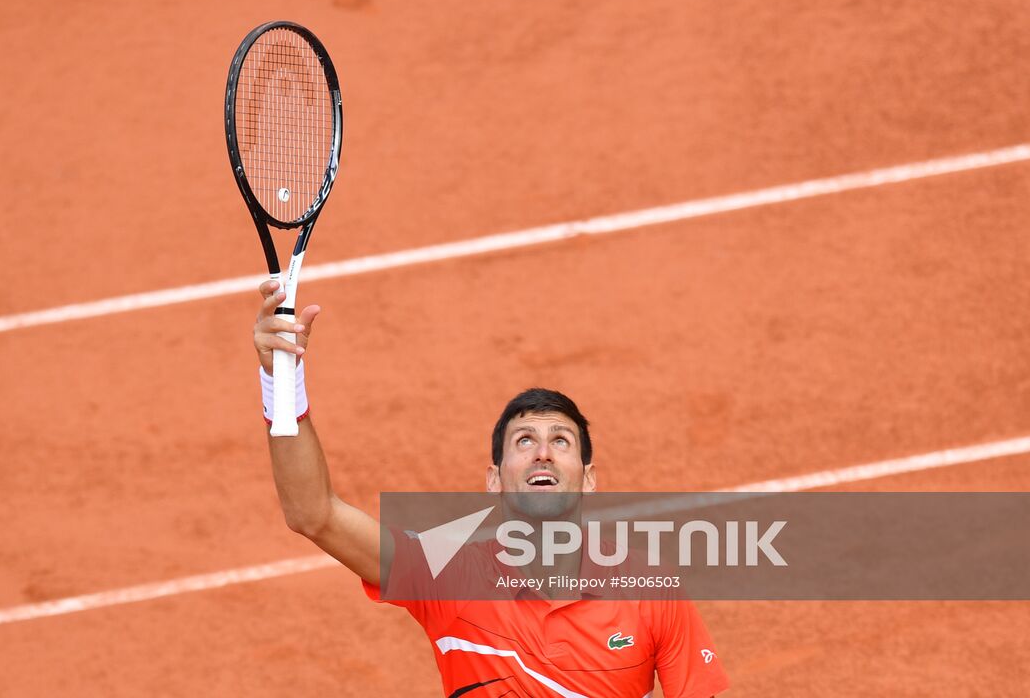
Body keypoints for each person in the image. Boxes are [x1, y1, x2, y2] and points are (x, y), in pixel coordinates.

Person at [252, 279, 730, 698]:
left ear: (588, 477)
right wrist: (282, 380)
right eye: (524, 441)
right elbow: (313, 514)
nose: (543, 452)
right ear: (494, 479)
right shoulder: (448, 577)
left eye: (560, 441)